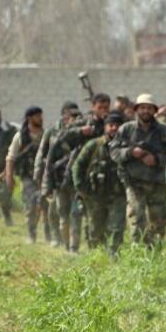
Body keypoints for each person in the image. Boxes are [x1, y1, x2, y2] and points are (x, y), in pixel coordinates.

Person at [110, 94, 166, 247]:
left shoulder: (165, 132)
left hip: (157, 183)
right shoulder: (126, 129)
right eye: (142, 107)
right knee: (136, 221)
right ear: (137, 109)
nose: (146, 111)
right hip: (134, 183)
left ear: (154, 110)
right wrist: (131, 153)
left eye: (149, 108)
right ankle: (138, 255)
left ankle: (155, 258)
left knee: (158, 223)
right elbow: (114, 152)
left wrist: (157, 159)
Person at [52, 93, 111, 252]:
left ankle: (99, 245)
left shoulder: (110, 123)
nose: (103, 111)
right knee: (76, 212)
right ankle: (73, 247)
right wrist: (80, 132)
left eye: (106, 107)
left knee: (98, 214)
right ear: (93, 107)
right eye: (100, 107)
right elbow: (62, 138)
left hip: (104, 177)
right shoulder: (84, 122)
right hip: (81, 174)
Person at [72, 112, 127, 255]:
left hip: (118, 195)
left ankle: (114, 257)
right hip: (95, 195)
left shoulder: (127, 147)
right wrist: (81, 189)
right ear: (105, 127)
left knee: (116, 227)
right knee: (95, 229)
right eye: (111, 125)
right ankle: (96, 256)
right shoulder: (93, 145)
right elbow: (77, 166)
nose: (114, 128)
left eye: (117, 125)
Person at [34, 101, 80, 246]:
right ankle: (55, 236)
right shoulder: (52, 131)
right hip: (55, 176)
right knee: (54, 209)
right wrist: (38, 175)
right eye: (71, 114)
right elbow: (42, 153)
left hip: (73, 176)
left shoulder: (79, 131)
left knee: (74, 211)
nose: (74, 117)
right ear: (64, 115)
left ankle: (71, 242)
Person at [5, 106, 45, 243]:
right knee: (30, 206)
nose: (40, 118)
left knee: (43, 205)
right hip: (27, 177)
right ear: (29, 118)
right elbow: (11, 157)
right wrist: (9, 177)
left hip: (43, 177)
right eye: (37, 116)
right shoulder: (20, 137)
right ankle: (31, 233)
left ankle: (46, 233)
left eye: (41, 115)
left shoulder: (45, 135)